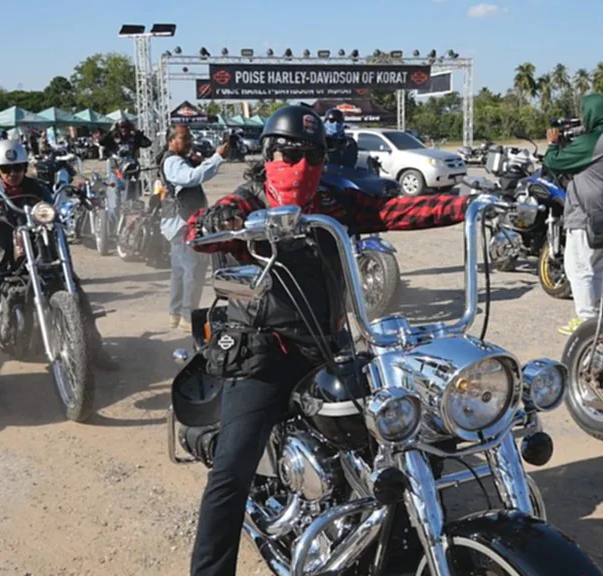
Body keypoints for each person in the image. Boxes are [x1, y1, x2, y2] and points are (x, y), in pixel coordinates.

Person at [183, 105, 474, 576]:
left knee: (402, 430)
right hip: (263, 354)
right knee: (231, 472)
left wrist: (468, 205)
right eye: (287, 153)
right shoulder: (247, 202)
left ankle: (391, 542)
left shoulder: (332, 202)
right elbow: (199, 229)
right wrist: (219, 224)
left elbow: (393, 210)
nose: (298, 165)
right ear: (268, 154)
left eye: (311, 155)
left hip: (329, 349)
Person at [0, 140, 118, 394]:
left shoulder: (37, 189)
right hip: (3, 260)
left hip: (38, 254)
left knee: (77, 293)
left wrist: (69, 198)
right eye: (6, 169)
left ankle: (95, 350)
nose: (13, 173)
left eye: (17, 167)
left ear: (24, 167)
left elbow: (52, 207)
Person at [542, 93, 603, 335]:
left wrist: (553, 143)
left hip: (586, 217)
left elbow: (553, 161)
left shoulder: (594, 141)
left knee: (578, 269)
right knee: (597, 270)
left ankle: (586, 324)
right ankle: (597, 317)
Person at [160, 125, 228, 330]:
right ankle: (188, 317)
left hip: (179, 223)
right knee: (194, 270)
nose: (189, 142)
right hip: (183, 224)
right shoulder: (173, 161)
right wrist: (217, 157)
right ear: (171, 140)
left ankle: (176, 313)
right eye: (184, 138)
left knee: (180, 271)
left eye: (189, 137)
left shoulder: (176, 160)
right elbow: (192, 177)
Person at [99, 118, 153, 219]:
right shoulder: (113, 138)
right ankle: (112, 223)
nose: (124, 130)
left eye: (126, 127)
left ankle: (124, 223)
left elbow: (147, 143)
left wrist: (136, 131)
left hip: (130, 174)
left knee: (127, 202)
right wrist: (112, 129)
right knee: (114, 202)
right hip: (116, 172)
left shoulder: (134, 138)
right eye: (121, 127)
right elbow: (102, 142)